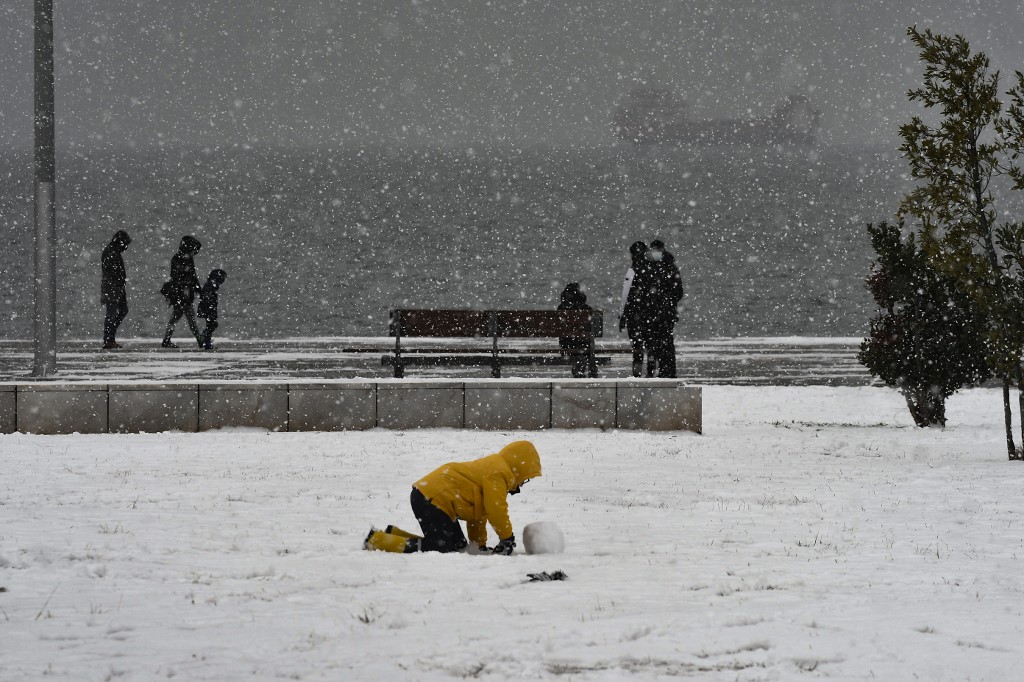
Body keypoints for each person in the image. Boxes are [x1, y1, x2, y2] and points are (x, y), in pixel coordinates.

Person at [364, 440, 542, 555]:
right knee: (441, 547)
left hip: (433, 499)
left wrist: (477, 545)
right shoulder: (498, 473)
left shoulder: (494, 469)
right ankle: (378, 541)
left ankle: (394, 535)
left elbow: (480, 513)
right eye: (525, 478)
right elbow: (496, 508)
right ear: (520, 468)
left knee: (457, 546)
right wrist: (507, 538)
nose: (522, 484)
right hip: (431, 499)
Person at [646, 239, 684, 378]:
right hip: (666, 312)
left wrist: (659, 300)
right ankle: (667, 370)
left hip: (658, 312)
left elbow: (678, 291)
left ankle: (661, 370)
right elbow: (678, 291)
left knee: (658, 342)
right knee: (666, 342)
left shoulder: (652, 267)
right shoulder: (670, 267)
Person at [619, 240, 656, 377]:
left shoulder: (632, 271)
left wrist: (622, 315)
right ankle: (651, 373)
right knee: (651, 345)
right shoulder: (653, 269)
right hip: (651, 314)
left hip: (634, 314)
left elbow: (625, 295)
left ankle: (637, 374)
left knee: (637, 347)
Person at [161, 235, 203, 349]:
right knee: (190, 318)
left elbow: (192, 276)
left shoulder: (185, 258)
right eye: (194, 250)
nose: (195, 253)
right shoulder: (179, 259)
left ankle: (166, 340)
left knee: (176, 317)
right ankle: (200, 341)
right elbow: (179, 278)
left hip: (183, 294)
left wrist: (198, 289)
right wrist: (192, 289)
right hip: (181, 294)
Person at [557, 282, 598, 378]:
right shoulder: (587, 309)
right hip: (584, 346)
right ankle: (591, 371)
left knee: (581, 343)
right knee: (588, 343)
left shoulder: (561, 309)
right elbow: (596, 332)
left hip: (566, 346)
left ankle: (578, 370)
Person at [100, 229, 132, 349]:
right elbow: (112, 272)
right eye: (125, 244)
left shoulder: (113, 251)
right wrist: (119, 282)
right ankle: (109, 339)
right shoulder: (111, 252)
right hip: (112, 287)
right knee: (112, 313)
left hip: (115, 286)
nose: (126, 247)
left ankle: (110, 337)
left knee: (120, 311)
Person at [197, 269, 227, 350]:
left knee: (211, 325)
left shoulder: (210, 285)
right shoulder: (210, 286)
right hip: (209, 309)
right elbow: (208, 299)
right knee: (211, 325)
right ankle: (204, 339)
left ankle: (206, 342)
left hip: (208, 308)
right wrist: (210, 310)